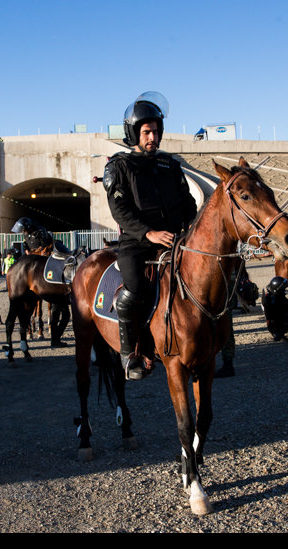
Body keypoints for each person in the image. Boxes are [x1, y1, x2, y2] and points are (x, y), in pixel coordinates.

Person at [103, 91, 197, 380]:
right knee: (133, 288)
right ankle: (129, 354)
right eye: (147, 132)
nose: (153, 137)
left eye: (156, 131)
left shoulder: (170, 166)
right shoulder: (118, 166)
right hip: (137, 243)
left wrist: (187, 229)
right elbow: (120, 211)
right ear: (133, 133)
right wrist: (149, 233)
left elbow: (189, 204)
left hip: (174, 240)